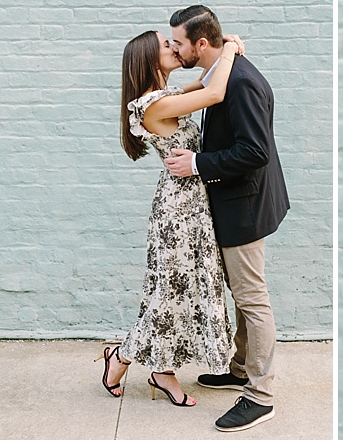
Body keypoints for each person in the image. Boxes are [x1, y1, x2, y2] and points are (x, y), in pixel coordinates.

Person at [97, 28, 244, 407]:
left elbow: (202, 84)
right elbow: (213, 94)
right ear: (148, 58)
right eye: (167, 45)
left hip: (193, 203)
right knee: (169, 293)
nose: (175, 48)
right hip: (177, 211)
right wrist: (229, 49)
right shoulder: (151, 106)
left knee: (182, 292)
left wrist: (222, 57)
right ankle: (136, 361)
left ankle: (148, 365)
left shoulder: (165, 97)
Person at [163, 5, 290, 432]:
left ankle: (260, 396)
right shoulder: (225, 69)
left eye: (178, 41)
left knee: (252, 299)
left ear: (201, 43)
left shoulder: (240, 81)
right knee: (242, 293)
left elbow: (255, 151)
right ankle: (239, 368)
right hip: (239, 201)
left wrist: (197, 163)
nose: (174, 48)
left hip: (245, 205)